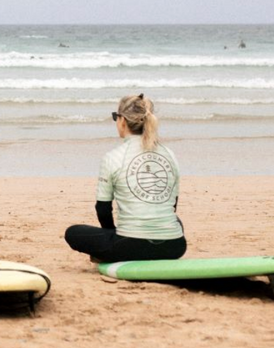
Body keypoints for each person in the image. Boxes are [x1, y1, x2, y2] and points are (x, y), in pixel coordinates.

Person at [64, 94, 186, 263]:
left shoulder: (113, 157)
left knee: (73, 232)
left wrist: (112, 236)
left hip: (131, 246)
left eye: (115, 117)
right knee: (175, 221)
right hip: (175, 246)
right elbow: (172, 205)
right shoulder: (169, 154)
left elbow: (103, 209)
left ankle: (112, 253)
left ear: (122, 120)